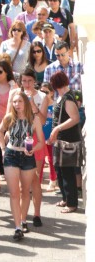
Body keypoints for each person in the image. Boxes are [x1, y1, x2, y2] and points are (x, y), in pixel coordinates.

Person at [0, 90, 45, 241]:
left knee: (26, 191)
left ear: (26, 102)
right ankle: (17, 227)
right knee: (14, 193)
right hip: (11, 155)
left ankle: (24, 220)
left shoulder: (34, 119)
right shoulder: (9, 117)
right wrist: (3, 149)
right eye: (14, 102)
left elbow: (41, 142)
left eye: (20, 102)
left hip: (27, 157)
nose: (17, 105)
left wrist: (32, 150)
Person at [45, 71, 82, 212]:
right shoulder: (63, 97)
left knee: (67, 172)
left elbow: (75, 118)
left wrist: (57, 129)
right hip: (61, 141)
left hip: (67, 141)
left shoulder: (67, 98)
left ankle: (71, 203)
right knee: (60, 170)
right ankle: (66, 198)